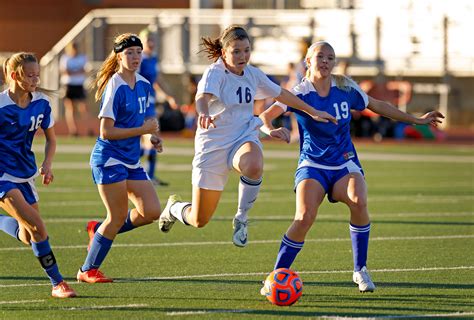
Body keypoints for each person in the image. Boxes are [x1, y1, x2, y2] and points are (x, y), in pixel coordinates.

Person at [258, 41, 444, 293]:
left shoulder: (345, 86)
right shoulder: (299, 92)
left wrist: (416, 119)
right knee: (304, 217)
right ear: (308, 62)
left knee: (359, 199)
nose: (325, 61)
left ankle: (360, 270)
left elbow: (377, 105)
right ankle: (276, 276)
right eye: (320, 56)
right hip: (312, 164)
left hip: (344, 163)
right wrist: (271, 129)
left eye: (330, 57)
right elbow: (265, 116)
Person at [158, 25, 336, 248]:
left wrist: (313, 110)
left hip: (243, 137)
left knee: (253, 164)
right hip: (212, 146)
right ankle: (174, 208)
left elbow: (282, 94)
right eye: (236, 51)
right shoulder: (215, 72)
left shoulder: (252, 74)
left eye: (246, 50)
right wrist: (202, 112)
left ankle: (241, 217)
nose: (243, 56)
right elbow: (202, 97)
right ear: (224, 53)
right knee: (199, 219)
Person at [76, 33, 163, 283]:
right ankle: (86, 270)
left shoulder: (144, 84)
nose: (136, 57)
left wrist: (152, 137)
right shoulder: (114, 85)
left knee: (151, 211)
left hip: (130, 159)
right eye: (129, 53)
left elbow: (144, 122)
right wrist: (142, 131)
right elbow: (106, 131)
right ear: (118, 56)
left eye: (138, 52)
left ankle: (97, 230)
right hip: (109, 158)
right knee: (115, 216)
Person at [0, 52, 77, 298]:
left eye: (37, 75)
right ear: (14, 76)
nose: (35, 79)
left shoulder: (42, 103)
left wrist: (48, 164)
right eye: (30, 75)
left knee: (27, 234)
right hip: (2, 175)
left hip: (26, 174)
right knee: (38, 227)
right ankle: (58, 283)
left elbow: (51, 140)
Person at [138, 28, 178, 186]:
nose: (151, 43)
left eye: (153, 39)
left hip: (151, 102)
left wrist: (169, 96)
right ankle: (140, 172)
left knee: (153, 138)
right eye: (148, 40)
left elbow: (158, 80)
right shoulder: (138, 59)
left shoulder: (153, 59)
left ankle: (149, 175)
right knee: (149, 138)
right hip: (141, 103)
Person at [59, 42, 91, 136]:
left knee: (84, 108)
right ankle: (73, 130)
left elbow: (85, 70)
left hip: (79, 84)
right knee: (70, 108)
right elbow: (65, 72)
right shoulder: (65, 58)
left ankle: (88, 129)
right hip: (69, 85)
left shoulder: (83, 57)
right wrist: (78, 71)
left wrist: (74, 72)